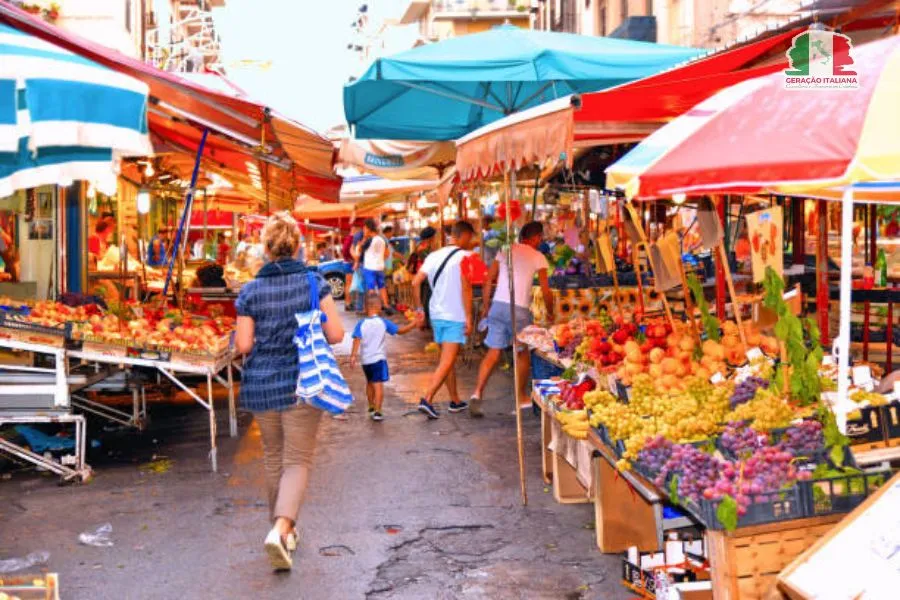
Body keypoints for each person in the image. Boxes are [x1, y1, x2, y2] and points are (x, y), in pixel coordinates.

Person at [234, 211, 345, 571]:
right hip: (303, 383)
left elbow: (244, 344)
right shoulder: (313, 283)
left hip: (262, 384)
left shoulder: (250, 290)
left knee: (273, 458)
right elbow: (337, 335)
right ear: (298, 246)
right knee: (297, 461)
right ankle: (281, 529)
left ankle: (280, 531)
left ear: (266, 249)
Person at [470, 221, 554, 417]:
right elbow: (546, 290)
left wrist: (486, 306)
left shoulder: (506, 250)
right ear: (536, 238)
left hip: (498, 306)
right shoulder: (538, 257)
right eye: (540, 237)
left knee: (493, 352)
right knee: (521, 353)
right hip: (519, 309)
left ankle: (476, 393)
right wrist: (550, 312)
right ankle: (521, 397)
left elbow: (488, 280)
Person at [411, 220, 477, 419]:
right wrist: (468, 317)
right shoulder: (467, 256)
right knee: (448, 360)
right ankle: (427, 398)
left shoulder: (433, 256)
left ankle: (455, 400)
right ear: (464, 236)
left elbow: (415, 282)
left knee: (446, 360)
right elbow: (467, 288)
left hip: (436, 313)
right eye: (470, 237)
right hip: (454, 314)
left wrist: (419, 309)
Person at [349, 293, 417, 422]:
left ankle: (371, 406)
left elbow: (356, 340)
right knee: (378, 385)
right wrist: (413, 324)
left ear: (366, 307)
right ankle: (378, 411)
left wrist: (353, 356)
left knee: (369, 383)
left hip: (365, 361)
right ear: (378, 306)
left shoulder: (361, 324)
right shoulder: (383, 322)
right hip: (378, 360)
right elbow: (400, 331)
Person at [361, 218, 392, 312]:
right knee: (382, 287)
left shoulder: (369, 240)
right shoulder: (382, 239)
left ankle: (373, 308)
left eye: (364, 228)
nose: (364, 230)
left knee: (371, 289)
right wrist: (380, 259)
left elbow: (359, 250)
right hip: (380, 267)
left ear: (368, 228)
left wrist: (364, 238)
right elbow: (387, 253)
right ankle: (386, 305)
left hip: (369, 267)